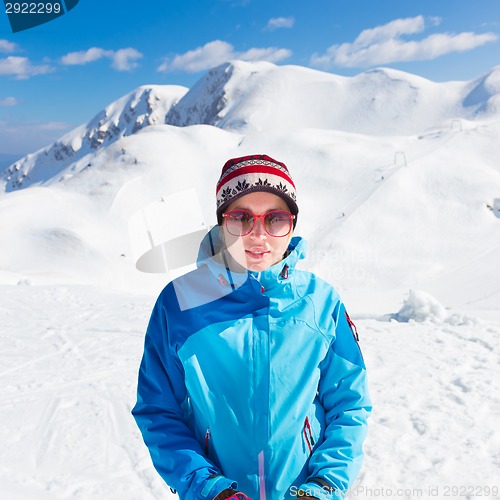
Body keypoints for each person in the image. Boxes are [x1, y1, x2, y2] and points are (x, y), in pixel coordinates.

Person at [132, 154, 371, 500]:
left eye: (275, 219)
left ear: (291, 225)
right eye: (241, 218)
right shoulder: (179, 303)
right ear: (221, 223)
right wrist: (208, 489)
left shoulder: (321, 301)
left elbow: (350, 404)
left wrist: (324, 486)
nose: (258, 235)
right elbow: (158, 409)